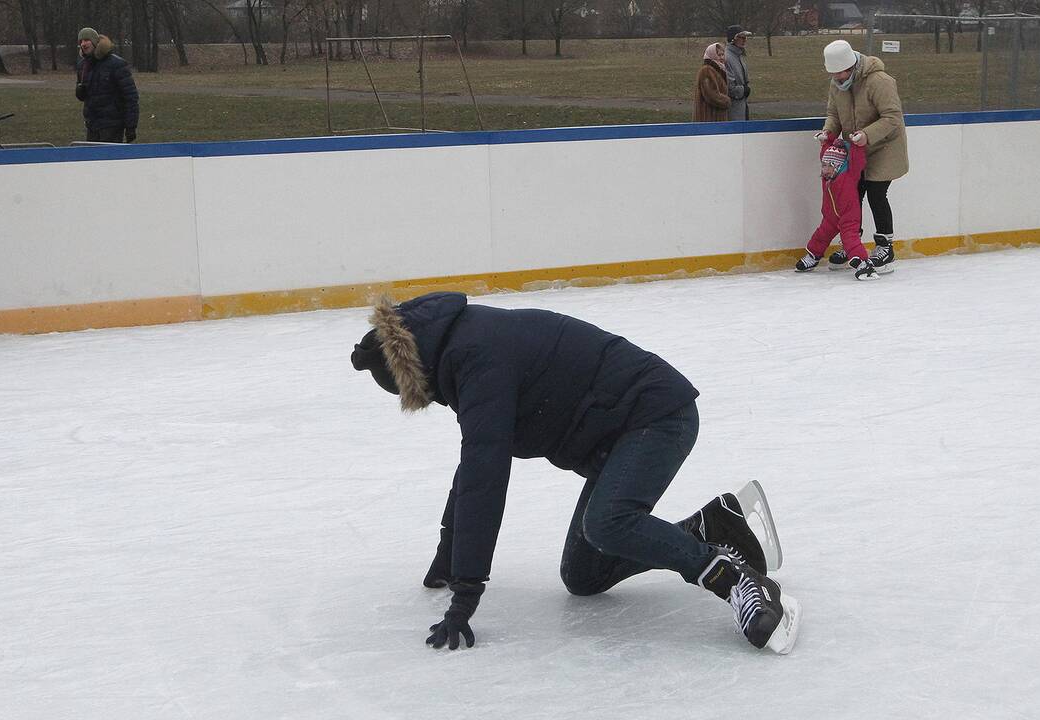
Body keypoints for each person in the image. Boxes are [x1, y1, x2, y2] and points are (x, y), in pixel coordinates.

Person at [350, 292, 800, 654]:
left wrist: (466, 593)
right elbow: (475, 467)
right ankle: (715, 526)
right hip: (617, 434)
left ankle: (734, 579)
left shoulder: (477, 358)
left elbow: (484, 477)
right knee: (584, 576)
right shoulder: (460, 344)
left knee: (608, 522)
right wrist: (449, 555)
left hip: (656, 416)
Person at [815, 39, 908, 273]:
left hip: (883, 148)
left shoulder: (880, 81)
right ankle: (851, 244)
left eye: (841, 74)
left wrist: (867, 134)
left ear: (852, 66)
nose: (838, 79)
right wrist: (828, 131)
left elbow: (892, 117)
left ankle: (885, 248)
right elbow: (833, 113)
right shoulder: (837, 84)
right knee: (851, 197)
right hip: (855, 151)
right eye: (834, 75)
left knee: (877, 194)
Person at [795, 133, 878, 280]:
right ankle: (813, 256)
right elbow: (825, 154)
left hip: (848, 216)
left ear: (838, 166)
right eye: (823, 166)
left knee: (850, 240)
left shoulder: (849, 175)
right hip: (830, 216)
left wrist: (856, 145)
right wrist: (825, 142)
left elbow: (857, 161)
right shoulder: (826, 178)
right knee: (820, 236)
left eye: (829, 166)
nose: (824, 169)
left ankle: (864, 265)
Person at [75, 27, 139, 143]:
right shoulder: (83, 66)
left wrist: (131, 126)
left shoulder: (116, 64)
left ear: (95, 42)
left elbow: (131, 97)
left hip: (112, 125)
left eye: (86, 40)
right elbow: (84, 95)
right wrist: (80, 92)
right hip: (92, 125)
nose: (83, 44)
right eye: (81, 42)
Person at [693, 42, 731, 122]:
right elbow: (711, 95)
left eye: (722, 54)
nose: (721, 57)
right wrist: (726, 101)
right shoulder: (706, 70)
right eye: (718, 55)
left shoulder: (719, 70)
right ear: (712, 55)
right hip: (708, 118)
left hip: (717, 117)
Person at [724, 25, 752, 121]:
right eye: (741, 37)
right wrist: (743, 90)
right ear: (733, 39)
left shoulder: (738, 56)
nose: (744, 40)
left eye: (745, 37)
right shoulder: (727, 58)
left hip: (741, 106)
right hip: (732, 109)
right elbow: (729, 88)